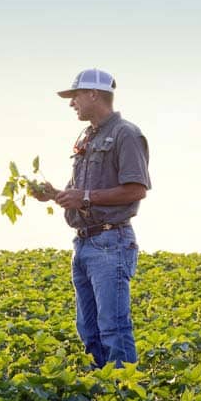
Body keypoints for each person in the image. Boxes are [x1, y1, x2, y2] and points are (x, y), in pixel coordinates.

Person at [41, 68, 151, 367]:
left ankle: (126, 400)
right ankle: (102, 398)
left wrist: (85, 197)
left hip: (111, 241)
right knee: (88, 330)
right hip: (85, 243)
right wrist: (53, 193)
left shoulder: (125, 134)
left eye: (75, 96)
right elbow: (79, 190)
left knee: (113, 328)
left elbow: (137, 188)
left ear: (93, 94)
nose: (71, 103)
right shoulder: (88, 135)